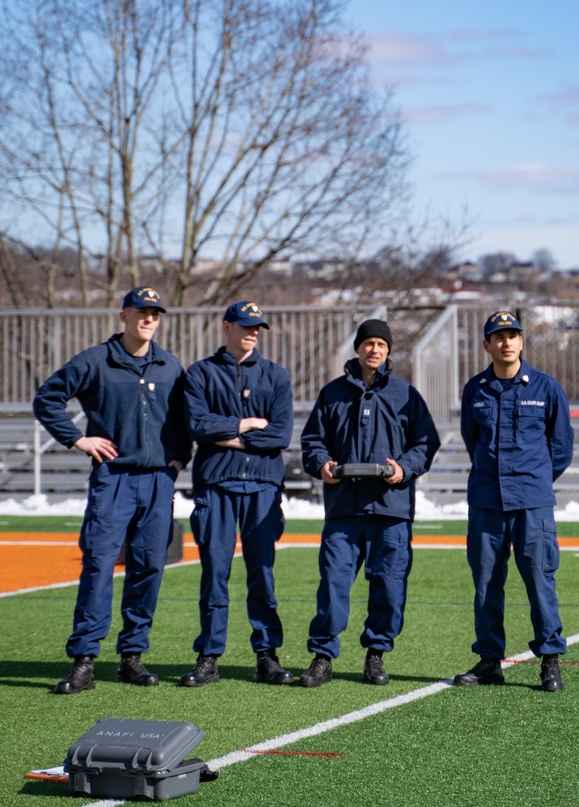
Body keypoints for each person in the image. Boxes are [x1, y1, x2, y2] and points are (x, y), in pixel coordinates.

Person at [33, 287, 191, 694]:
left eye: (155, 313)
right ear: (124, 315)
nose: (149, 319)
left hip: (158, 481)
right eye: (141, 311)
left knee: (149, 567)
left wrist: (179, 457)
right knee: (99, 566)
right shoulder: (94, 360)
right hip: (113, 480)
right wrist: (77, 440)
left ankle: (131, 658)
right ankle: (84, 660)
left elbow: (183, 418)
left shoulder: (169, 365)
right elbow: (48, 398)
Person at [298, 318, 440, 688]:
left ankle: (376, 654)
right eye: (368, 343)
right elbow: (313, 442)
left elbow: (425, 444)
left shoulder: (406, 395)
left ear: (389, 350)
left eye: (381, 344)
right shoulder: (332, 394)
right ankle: (323, 656)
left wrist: (403, 468)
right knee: (333, 582)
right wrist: (322, 465)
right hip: (344, 508)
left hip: (390, 509)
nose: (374, 349)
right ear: (357, 348)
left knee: (389, 586)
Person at [453, 309, 574, 692]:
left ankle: (550, 660)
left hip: (532, 503)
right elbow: (473, 442)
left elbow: (562, 446)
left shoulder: (545, 388)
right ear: (487, 344)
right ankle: (490, 660)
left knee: (540, 580)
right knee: (486, 582)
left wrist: (535, 479)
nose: (506, 342)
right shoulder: (475, 389)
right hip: (487, 501)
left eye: (513, 335)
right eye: (498, 336)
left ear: (521, 341)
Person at [180, 302, 295, 686]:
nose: (252, 333)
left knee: (261, 574)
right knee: (215, 572)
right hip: (217, 486)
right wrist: (245, 425)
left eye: (257, 327)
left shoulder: (276, 375)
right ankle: (209, 655)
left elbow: (279, 435)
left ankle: (267, 655)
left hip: (262, 486)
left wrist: (225, 438)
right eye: (245, 326)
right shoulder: (200, 373)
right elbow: (196, 425)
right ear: (226, 327)